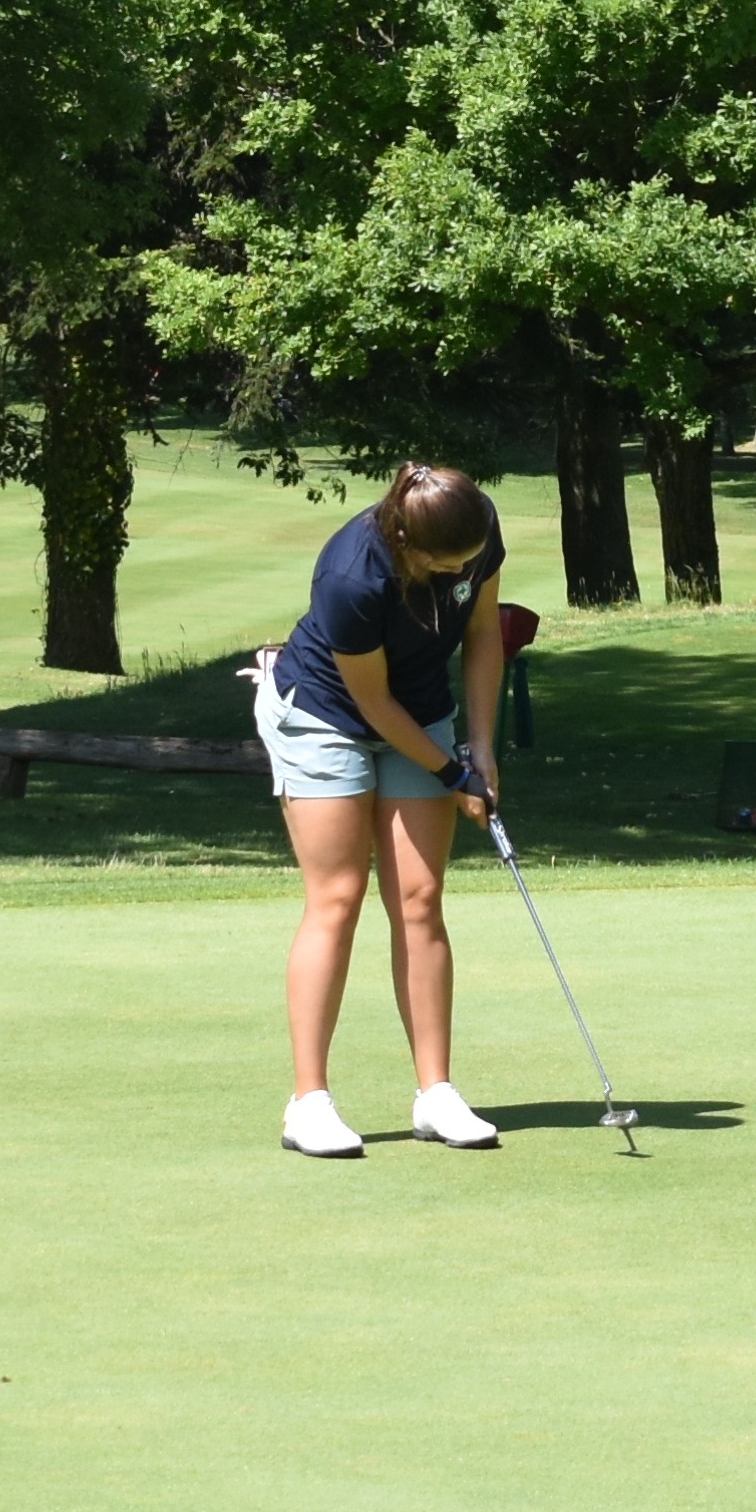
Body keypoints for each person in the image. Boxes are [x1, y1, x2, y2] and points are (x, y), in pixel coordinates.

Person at [252, 462, 513, 1161]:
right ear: (405, 542)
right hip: (324, 717)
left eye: (471, 558)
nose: (464, 569)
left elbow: (485, 633)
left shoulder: (475, 529)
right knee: (337, 896)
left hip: (423, 713)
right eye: (448, 564)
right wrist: (450, 771)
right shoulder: (351, 574)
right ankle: (308, 1102)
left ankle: (437, 1094)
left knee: (420, 898)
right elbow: (371, 703)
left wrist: (480, 748)